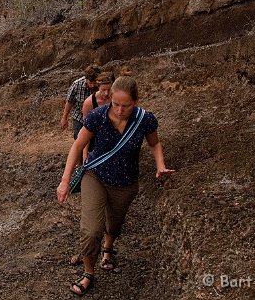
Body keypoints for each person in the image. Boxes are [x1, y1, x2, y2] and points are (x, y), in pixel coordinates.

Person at [56, 75, 174, 296]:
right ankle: (88, 272)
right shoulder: (98, 117)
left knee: (115, 224)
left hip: (126, 183)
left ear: (136, 102)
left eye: (126, 105)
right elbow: (77, 145)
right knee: (91, 231)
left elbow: (154, 142)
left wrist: (160, 165)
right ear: (110, 99)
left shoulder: (145, 119)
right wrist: (65, 181)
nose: (120, 110)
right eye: (116, 104)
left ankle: (108, 248)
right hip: (95, 176)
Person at [80, 71, 114, 160]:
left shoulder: (116, 99)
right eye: (103, 90)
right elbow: (86, 128)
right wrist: (84, 153)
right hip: (94, 137)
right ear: (98, 88)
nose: (106, 93)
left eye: (109, 90)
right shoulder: (89, 103)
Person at [60, 64, 101, 138]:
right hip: (79, 116)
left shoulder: (101, 85)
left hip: (96, 115)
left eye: (94, 83)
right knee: (79, 137)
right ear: (86, 79)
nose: (92, 85)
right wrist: (64, 118)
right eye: (90, 83)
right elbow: (69, 102)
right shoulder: (77, 84)